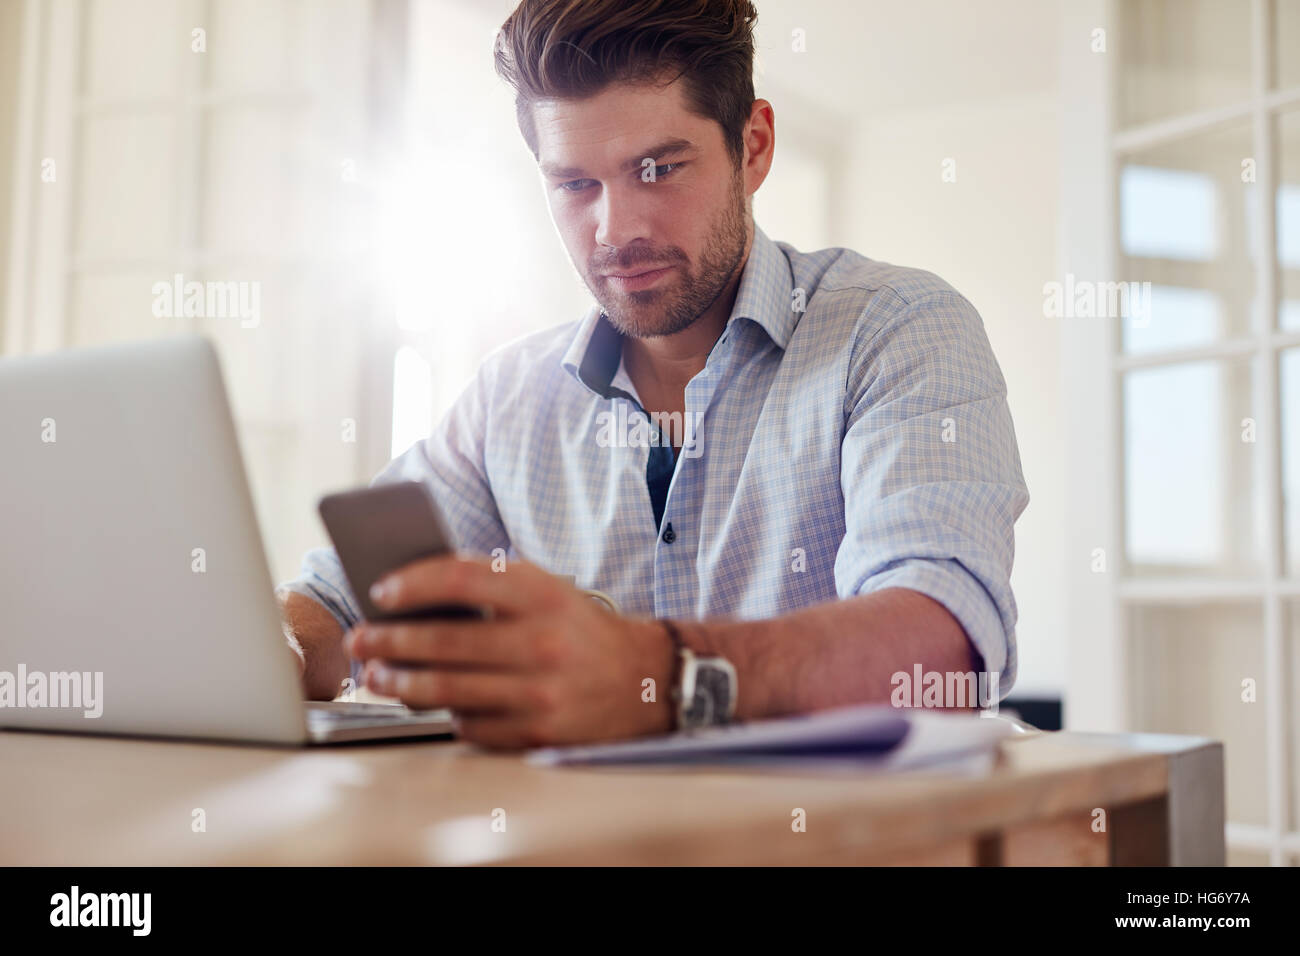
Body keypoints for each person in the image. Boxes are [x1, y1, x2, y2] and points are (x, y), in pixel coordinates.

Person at [276, 0, 1030, 750]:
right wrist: (278, 650)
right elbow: (338, 604)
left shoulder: (896, 328)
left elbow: (943, 648)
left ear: (754, 147)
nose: (616, 231)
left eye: (658, 168)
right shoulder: (507, 398)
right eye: (574, 185)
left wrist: (657, 674)